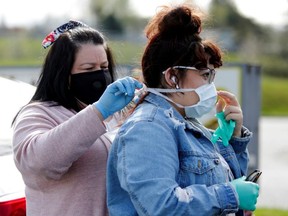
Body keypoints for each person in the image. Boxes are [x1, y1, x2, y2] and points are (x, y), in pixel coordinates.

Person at [106, 4, 259, 216]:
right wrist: (230, 195)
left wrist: (234, 140)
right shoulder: (147, 129)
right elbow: (161, 206)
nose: (211, 84)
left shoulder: (186, 122)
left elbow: (227, 189)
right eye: (205, 75)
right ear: (172, 77)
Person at [12, 20, 142, 216]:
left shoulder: (112, 113)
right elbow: (37, 164)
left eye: (104, 67)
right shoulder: (38, 114)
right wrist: (99, 111)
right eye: (89, 69)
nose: (99, 75)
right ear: (63, 73)